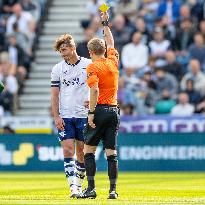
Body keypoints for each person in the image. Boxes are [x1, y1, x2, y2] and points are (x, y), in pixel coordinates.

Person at [78, 11, 120, 199]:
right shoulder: (113, 61)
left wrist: (91, 112)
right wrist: (105, 22)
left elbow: (94, 90)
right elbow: (111, 42)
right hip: (113, 111)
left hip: (100, 110)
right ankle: (112, 191)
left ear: (90, 52)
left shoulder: (92, 67)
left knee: (89, 150)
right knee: (111, 153)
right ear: (103, 50)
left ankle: (91, 189)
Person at [51, 34, 92, 198]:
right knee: (68, 151)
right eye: (60, 51)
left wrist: (92, 103)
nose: (62, 53)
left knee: (81, 152)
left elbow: (97, 86)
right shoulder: (57, 69)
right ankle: (73, 188)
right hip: (66, 116)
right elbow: (54, 95)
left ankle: (80, 186)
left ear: (73, 47)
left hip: (83, 115)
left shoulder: (88, 65)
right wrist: (56, 116)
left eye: (64, 49)